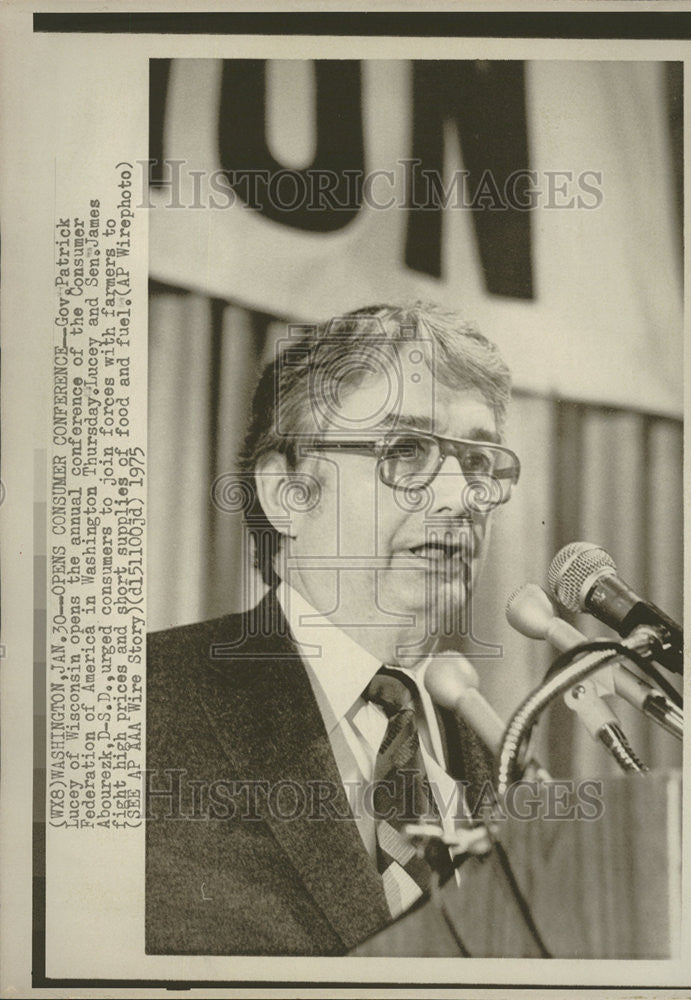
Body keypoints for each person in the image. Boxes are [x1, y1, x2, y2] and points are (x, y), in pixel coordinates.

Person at [145, 302, 520, 955]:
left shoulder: (498, 759)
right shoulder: (142, 705)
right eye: (407, 450)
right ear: (288, 493)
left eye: (480, 461)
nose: (460, 495)